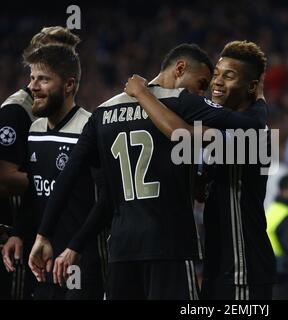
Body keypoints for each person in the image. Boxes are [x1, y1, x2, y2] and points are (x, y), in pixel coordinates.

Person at [29, 43, 266, 300]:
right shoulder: (181, 103)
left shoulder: (102, 111)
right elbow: (253, 126)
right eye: (201, 84)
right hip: (170, 248)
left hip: (121, 251)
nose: (202, 93)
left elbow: (71, 175)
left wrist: (44, 234)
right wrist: (261, 98)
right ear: (180, 68)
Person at [124, 40, 276, 300]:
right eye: (216, 74)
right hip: (217, 264)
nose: (217, 82)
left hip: (243, 267)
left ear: (251, 86)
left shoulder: (253, 135)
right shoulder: (225, 124)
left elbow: (180, 133)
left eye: (229, 76)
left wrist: (144, 93)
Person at [12, 44, 105, 299]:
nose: (32, 86)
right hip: (43, 261)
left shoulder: (90, 127)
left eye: (43, 79)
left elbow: (106, 199)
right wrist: (18, 232)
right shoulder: (35, 129)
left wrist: (76, 246)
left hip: (81, 262)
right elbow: (34, 190)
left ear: (69, 85)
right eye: (32, 78)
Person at [1, 26, 81, 300]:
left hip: (57, 238)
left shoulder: (69, 116)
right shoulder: (18, 111)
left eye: (68, 55)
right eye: (54, 53)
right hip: (22, 237)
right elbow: (4, 176)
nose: (65, 60)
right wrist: (58, 183)